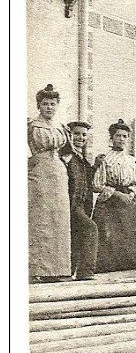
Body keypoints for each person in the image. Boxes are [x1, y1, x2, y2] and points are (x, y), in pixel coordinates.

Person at [28, 84, 72, 281]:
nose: (49, 108)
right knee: (42, 219)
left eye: (52, 104)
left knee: (59, 220)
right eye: (45, 104)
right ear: (39, 105)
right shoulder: (34, 126)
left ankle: (58, 268)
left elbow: (66, 148)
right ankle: (40, 269)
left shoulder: (59, 127)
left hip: (58, 173)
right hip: (40, 173)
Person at [92, 119, 136, 273]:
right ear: (111, 138)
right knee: (109, 235)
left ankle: (126, 270)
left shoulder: (132, 160)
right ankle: (106, 270)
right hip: (110, 202)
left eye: (125, 136)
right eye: (118, 136)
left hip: (127, 203)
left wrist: (132, 194)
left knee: (128, 234)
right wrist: (117, 194)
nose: (121, 139)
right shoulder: (104, 159)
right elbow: (97, 184)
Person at [60, 120, 98, 280]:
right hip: (70, 204)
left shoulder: (81, 158)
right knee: (90, 229)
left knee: (76, 237)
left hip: (82, 204)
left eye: (84, 134)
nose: (80, 138)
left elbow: (88, 181)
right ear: (69, 135)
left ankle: (70, 272)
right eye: (76, 134)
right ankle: (85, 271)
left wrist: (95, 166)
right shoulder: (65, 156)